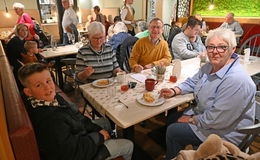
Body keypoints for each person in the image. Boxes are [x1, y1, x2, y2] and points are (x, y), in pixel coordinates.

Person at [160, 28, 256, 160]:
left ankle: (175, 155)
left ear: (233, 49)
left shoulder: (237, 80)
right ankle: (175, 151)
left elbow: (218, 119)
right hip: (208, 116)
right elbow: (193, 81)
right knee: (172, 119)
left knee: (173, 131)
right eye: (211, 47)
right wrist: (174, 90)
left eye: (222, 47)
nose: (215, 51)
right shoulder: (210, 66)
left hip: (222, 133)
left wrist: (192, 119)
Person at [18, 63, 133, 160]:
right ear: (28, 92)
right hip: (79, 153)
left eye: (48, 81)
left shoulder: (52, 98)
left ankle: (110, 139)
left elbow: (77, 116)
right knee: (128, 145)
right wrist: (99, 137)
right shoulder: (50, 121)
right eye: (38, 85)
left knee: (106, 122)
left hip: (77, 134)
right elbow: (73, 153)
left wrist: (98, 131)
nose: (48, 88)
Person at [6, 23, 29, 90]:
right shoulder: (15, 40)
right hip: (15, 63)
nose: (25, 32)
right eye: (22, 30)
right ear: (18, 31)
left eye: (26, 30)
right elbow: (20, 54)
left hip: (20, 61)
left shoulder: (22, 40)